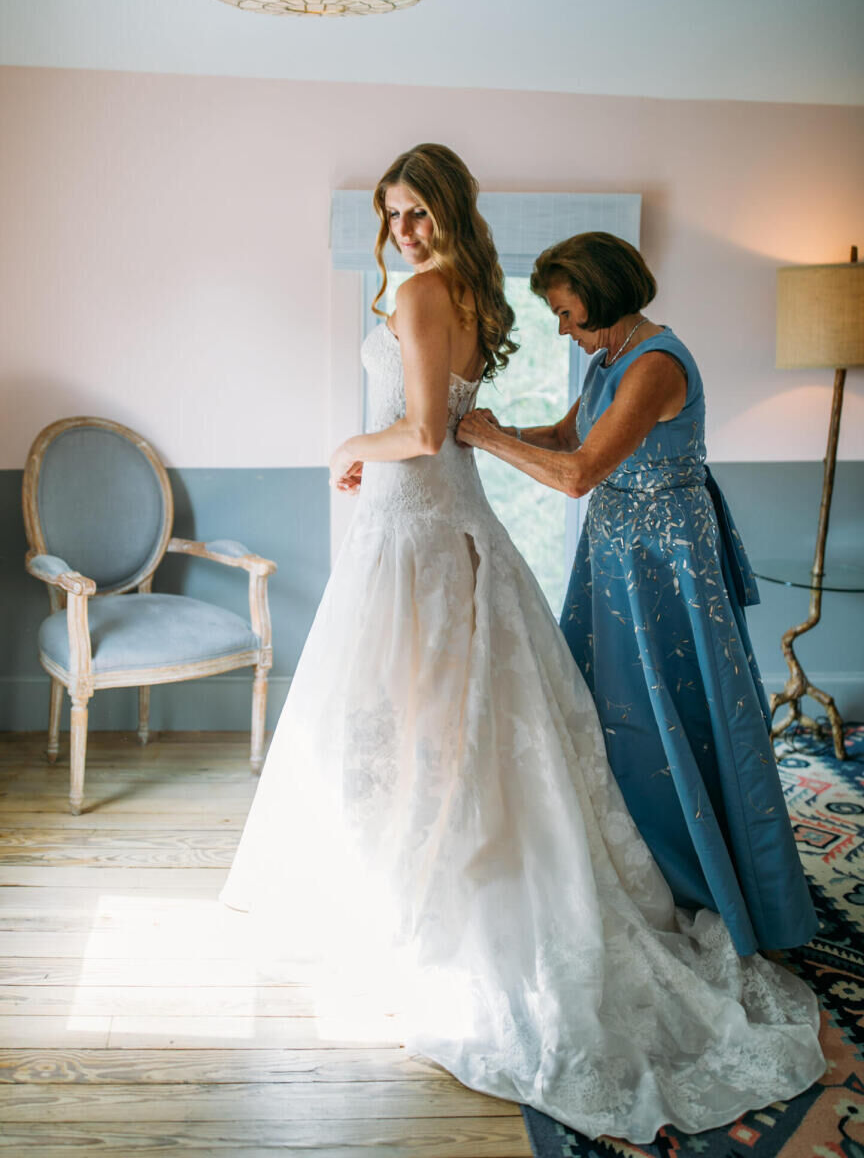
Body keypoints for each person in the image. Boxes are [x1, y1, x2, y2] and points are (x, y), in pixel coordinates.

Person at [221, 150, 823, 1142]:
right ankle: (436, 865)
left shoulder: (439, 298)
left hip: (497, 531)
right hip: (467, 525)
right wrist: (485, 432)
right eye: (392, 214)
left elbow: (434, 432)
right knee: (462, 718)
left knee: (452, 718)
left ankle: (447, 890)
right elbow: (525, 425)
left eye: (418, 211)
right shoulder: (475, 297)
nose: (404, 229)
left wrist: (348, 448)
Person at [456, 230, 817, 959]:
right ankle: (631, 859)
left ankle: (707, 876)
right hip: (616, 559)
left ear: (602, 290)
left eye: (565, 312)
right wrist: (479, 436)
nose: (562, 328)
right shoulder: (610, 356)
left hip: (666, 564)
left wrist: (488, 441)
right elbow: (564, 436)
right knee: (608, 708)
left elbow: (578, 472)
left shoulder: (653, 363)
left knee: (677, 711)